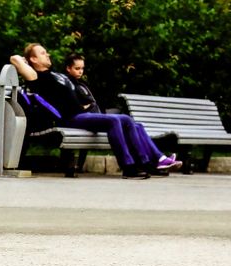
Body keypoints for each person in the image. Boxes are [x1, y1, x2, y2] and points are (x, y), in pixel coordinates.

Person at [10, 44, 180, 179]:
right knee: (114, 121)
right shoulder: (36, 77)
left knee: (127, 120)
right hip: (71, 118)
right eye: (42, 53)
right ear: (32, 59)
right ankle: (128, 167)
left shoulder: (55, 74)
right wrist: (24, 61)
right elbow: (14, 59)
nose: (48, 55)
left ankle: (145, 162)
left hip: (83, 115)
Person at [63, 53, 181, 176]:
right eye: (77, 68)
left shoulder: (80, 84)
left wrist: (90, 105)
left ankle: (159, 159)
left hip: (94, 115)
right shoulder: (67, 83)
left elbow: (90, 103)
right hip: (81, 117)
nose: (80, 71)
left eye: (82, 68)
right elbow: (80, 105)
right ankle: (142, 163)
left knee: (138, 126)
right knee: (120, 120)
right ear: (68, 68)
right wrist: (88, 105)